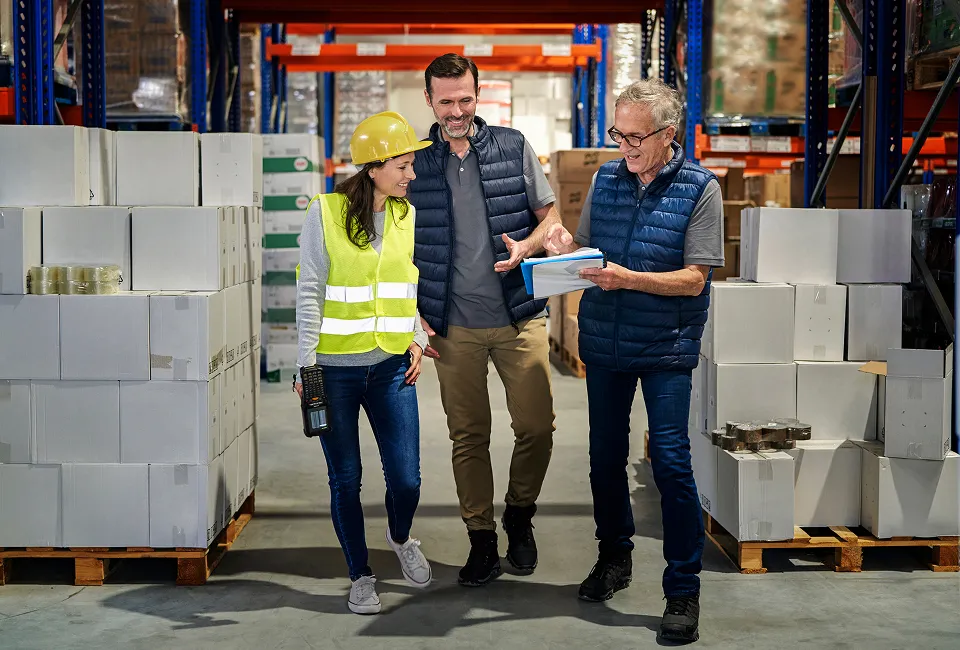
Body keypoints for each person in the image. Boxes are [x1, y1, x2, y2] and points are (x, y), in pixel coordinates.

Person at [543, 78, 724, 644]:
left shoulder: (701, 189)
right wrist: (562, 250)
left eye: (635, 137)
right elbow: (591, 253)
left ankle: (682, 590)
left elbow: (695, 280)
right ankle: (614, 559)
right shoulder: (605, 180)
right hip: (605, 342)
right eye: (617, 134)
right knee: (603, 459)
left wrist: (629, 279)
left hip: (666, 347)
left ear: (668, 134)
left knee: (670, 461)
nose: (624, 147)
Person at [407, 53, 560, 587]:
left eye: (465, 99)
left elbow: (551, 218)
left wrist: (530, 245)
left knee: (537, 427)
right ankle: (482, 539)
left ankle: (519, 515)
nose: (456, 110)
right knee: (468, 435)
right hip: (453, 325)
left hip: (519, 314)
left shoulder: (512, 146)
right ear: (428, 99)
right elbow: (395, 241)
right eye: (445, 100)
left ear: (479, 94)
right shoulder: (417, 163)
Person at [295, 111, 434, 615]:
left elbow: (404, 285)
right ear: (374, 166)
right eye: (402, 165)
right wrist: (306, 367)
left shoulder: (404, 214)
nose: (410, 174)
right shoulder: (324, 213)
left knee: (407, 479)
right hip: (333, 372)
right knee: (345, 478)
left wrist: (417, 336)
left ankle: (400, 538)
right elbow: (309, 292)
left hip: (393, 366)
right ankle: (360, 574)